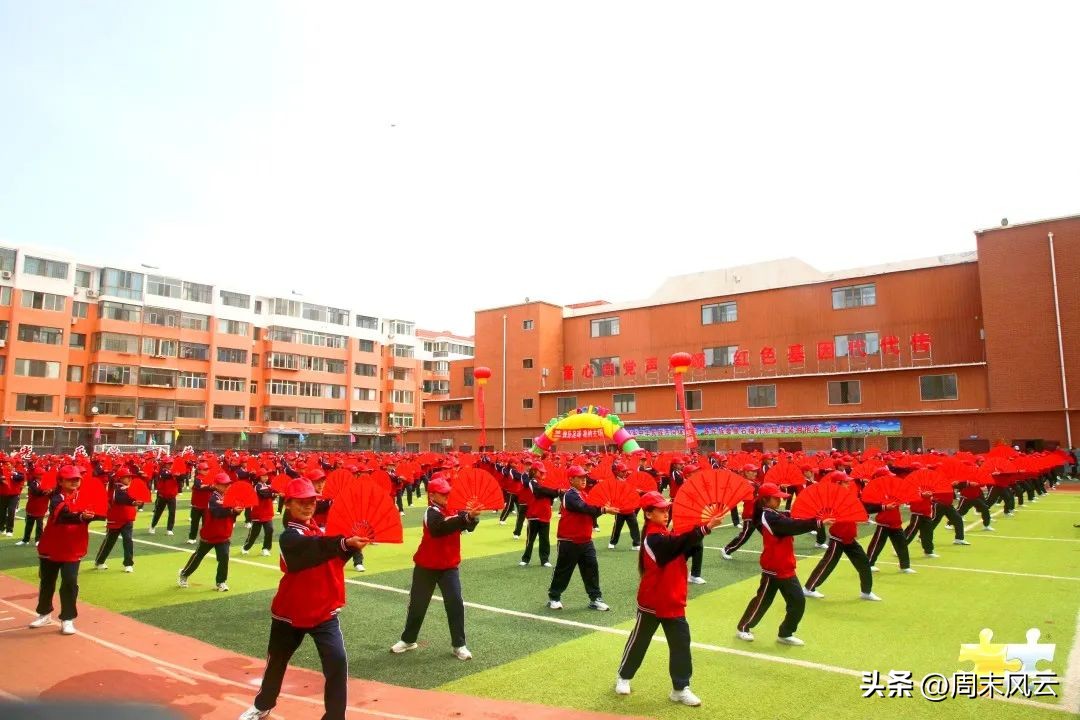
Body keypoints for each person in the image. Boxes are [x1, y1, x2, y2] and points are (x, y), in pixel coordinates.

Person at [238, 478, 369, 720]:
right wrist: (342, 543)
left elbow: (333, 560)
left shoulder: (319, 531)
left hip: (323, 611)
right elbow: (310, 551)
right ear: (288, 504)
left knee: (337, 662)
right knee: (276, 661)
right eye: (301, 502)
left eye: (312, 502)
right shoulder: (290, 537)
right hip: (290, 611)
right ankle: (263, 704)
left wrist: (350, 547)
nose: (308, 506)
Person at [614, 491, 723, 706]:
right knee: (640, 640)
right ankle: (624, 676)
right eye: (661, 510)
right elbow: (672, 549)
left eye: (666, 509)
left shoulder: (665, 533)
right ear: (647, 514)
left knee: (681, 643)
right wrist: (704, 528)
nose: (666, 513)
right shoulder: (652, 538)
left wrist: (696, 535)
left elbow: (681, 550)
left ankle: (680, 688)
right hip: (653, 599)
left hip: (673, 598)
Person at [391, 473, 480, 660]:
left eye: (448, 492)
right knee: (417, 604)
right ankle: (408, 640)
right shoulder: (430, 512)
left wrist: (472, 517)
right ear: (432, 496)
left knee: (455, 603)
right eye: (443, 493)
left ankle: (459, 645)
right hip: (426, 566)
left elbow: (469, 526)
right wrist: (465, 518)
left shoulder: (455, 510)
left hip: (449, 566)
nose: (447, 495)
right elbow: (439, 529)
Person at [735, 483, 831, 646]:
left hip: (783, 565)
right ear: (765, 500)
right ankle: (744, 628)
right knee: (764, 600)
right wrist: (817, 523)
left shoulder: (771, 514)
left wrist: (813, 518)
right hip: (774, 566)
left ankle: (785, 632)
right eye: (776, 498)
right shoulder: (769, 517)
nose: (779, 500)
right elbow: (791, 526)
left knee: (796, 601)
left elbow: (789, 520)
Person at [30, 465, 98, 635]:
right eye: (70, 479)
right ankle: (44, 613)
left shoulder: (86, 497)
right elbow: (62, 515)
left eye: (77, 479)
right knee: (47, 581)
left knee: (69, 581)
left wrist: (92, 515)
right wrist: (81, 516)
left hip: (73, 547)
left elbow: (97, 513)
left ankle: (67, 619)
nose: (75, 481)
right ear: (60, 481)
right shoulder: (56, 498)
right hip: (51, 546)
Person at [801, 472, 879, 602]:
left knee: (864, 563)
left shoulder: (847, 496)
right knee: (827, 564)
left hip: (849, 538)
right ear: (838, 484)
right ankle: (808, 589)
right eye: (846, 482)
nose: (849, 484)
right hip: (838, 538)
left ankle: (866, 591)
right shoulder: (832, 499)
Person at [547, 465, 616, 611]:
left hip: (586, 540)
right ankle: (554, 597)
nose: (584, 480)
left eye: (585, 477)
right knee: (563, 570)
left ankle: (595, 598)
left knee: (591, 569)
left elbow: (590, 513)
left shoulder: (585, 494)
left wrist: (603, 508)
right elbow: (582, 508)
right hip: (568, 540)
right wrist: (603, 509)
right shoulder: (570, 494)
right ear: (571, 480)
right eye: (580, 477)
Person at [179, 471, 241, 591]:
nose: (227, 486)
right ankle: (184, 574)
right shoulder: (213, 498)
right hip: (209, 535)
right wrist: (233, 511)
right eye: (224, 484)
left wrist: (237, 512)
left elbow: (231, 515)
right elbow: (217, 513)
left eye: (228, 484)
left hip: (223, 535)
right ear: (216, 485)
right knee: (198, 557)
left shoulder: (229, 496)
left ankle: (221, 582)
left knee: (224, 558)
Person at [93, 467, 142, 572]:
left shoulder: (128, 487)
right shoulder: (116, 488)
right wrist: (133, 502)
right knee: (109, 541)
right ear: (119, 478)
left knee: (128, 540)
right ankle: (99, 561)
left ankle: (128, 564)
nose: (129, 479)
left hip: (128, 519)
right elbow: (120, 498)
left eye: (130, 477)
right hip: (115, 519)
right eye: (126, 477)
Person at [607, 462, 641, 551]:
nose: (625, 473)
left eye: (625, 471)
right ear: (617, 472)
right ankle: (612, 542)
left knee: (634, 526)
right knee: (617, 527)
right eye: (622, 471)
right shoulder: (614, 482)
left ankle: (636, 543)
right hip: (620, 509)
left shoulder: (627, 480)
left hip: (630, 508)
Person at [242, 471, 277, 556]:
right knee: (254, 534)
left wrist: (275, 493)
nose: (266, 477)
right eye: (263, 476)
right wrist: (274, 493)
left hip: (268, 512)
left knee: (270, 530)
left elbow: (271, 495)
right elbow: (264, 495)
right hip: (258, 513)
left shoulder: (268, 486)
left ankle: (266, 548)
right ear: (259, 477)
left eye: (266, 476)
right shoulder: (257, 486)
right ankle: (246, 547)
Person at [148, 462, 180, 535]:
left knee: (172, 513)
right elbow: (165, 476)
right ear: (165, 464)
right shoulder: (162, 471)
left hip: (172, 496)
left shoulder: (174, 471)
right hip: (162, 495)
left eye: (171, 463)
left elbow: (181, 478)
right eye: (168, 463)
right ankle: (152, 526)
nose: (170, 465)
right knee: (158, 512)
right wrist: (173, 474)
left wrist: (179, 474)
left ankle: (169, 529)